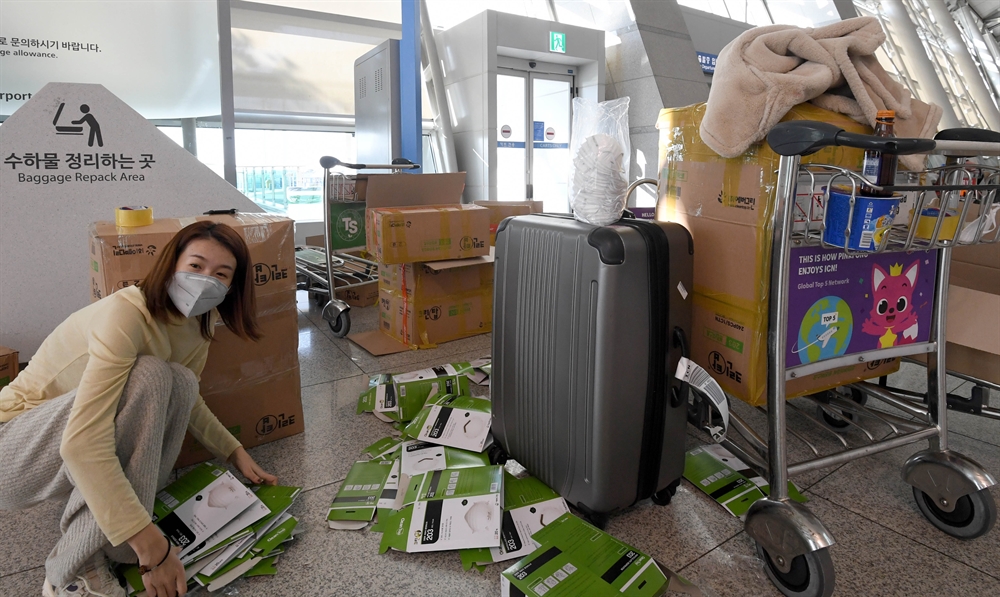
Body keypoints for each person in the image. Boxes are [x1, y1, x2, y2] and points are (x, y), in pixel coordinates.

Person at [0, 221, 277, 597]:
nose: (205, 279)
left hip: (61, 442)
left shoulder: (197, 326)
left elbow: (189, 397)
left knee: (178, 380)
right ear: (172, 263)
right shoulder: (126, 314)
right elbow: (82, 444)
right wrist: (154, 549)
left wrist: (233, 450)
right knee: (149, 374)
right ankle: (71, 570)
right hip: (13, 447)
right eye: (196, 266)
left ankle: (116, 537)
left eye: (221, 274)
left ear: (232, 286)